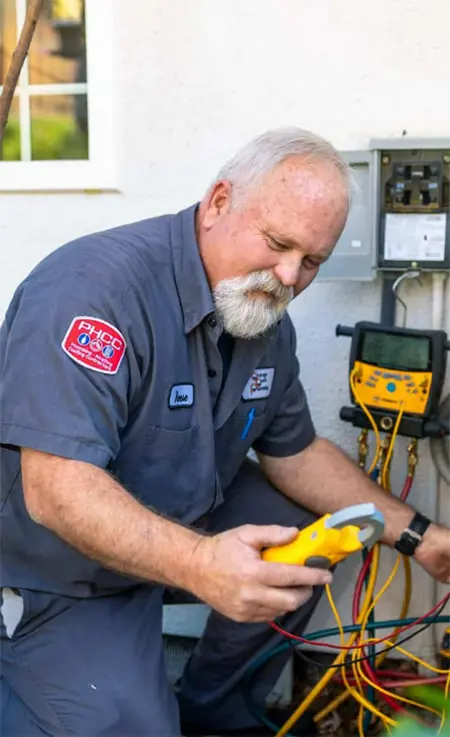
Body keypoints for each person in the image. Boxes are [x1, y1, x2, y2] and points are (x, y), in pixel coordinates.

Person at [0, 127, 449, 737]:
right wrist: (200, 563)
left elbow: (295, 455)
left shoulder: (261, 316)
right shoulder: (93, 291)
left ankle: (217, 711)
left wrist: (418, 535)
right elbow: (55, 489)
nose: (290, 276)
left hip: (178, 524)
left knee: (306, 536)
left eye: (312, 260)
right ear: (217, 204)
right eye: (277, 243)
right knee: (129, 727)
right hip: (61, 570)